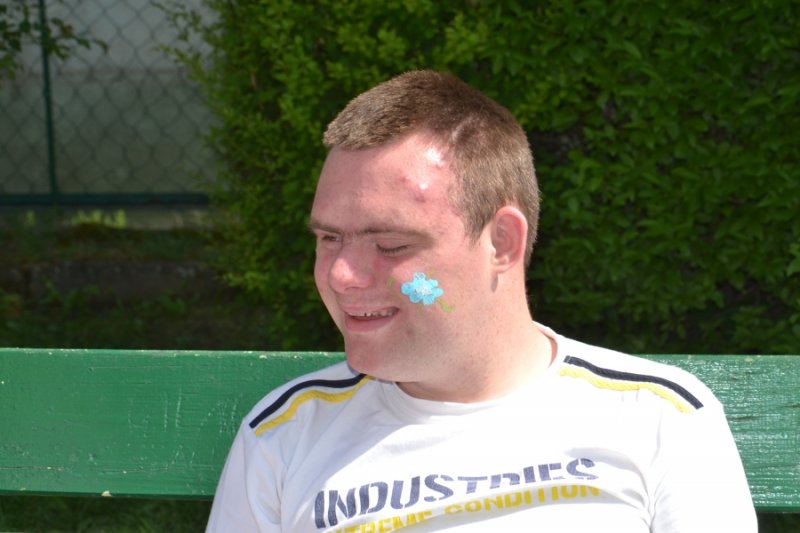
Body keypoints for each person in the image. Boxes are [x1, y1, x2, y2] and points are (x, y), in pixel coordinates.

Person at [206, 70, 756, 532]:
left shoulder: (657, 417)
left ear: (502, 243)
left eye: (390, 244)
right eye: (329, 238)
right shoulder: (285, 435)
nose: (342, 275)